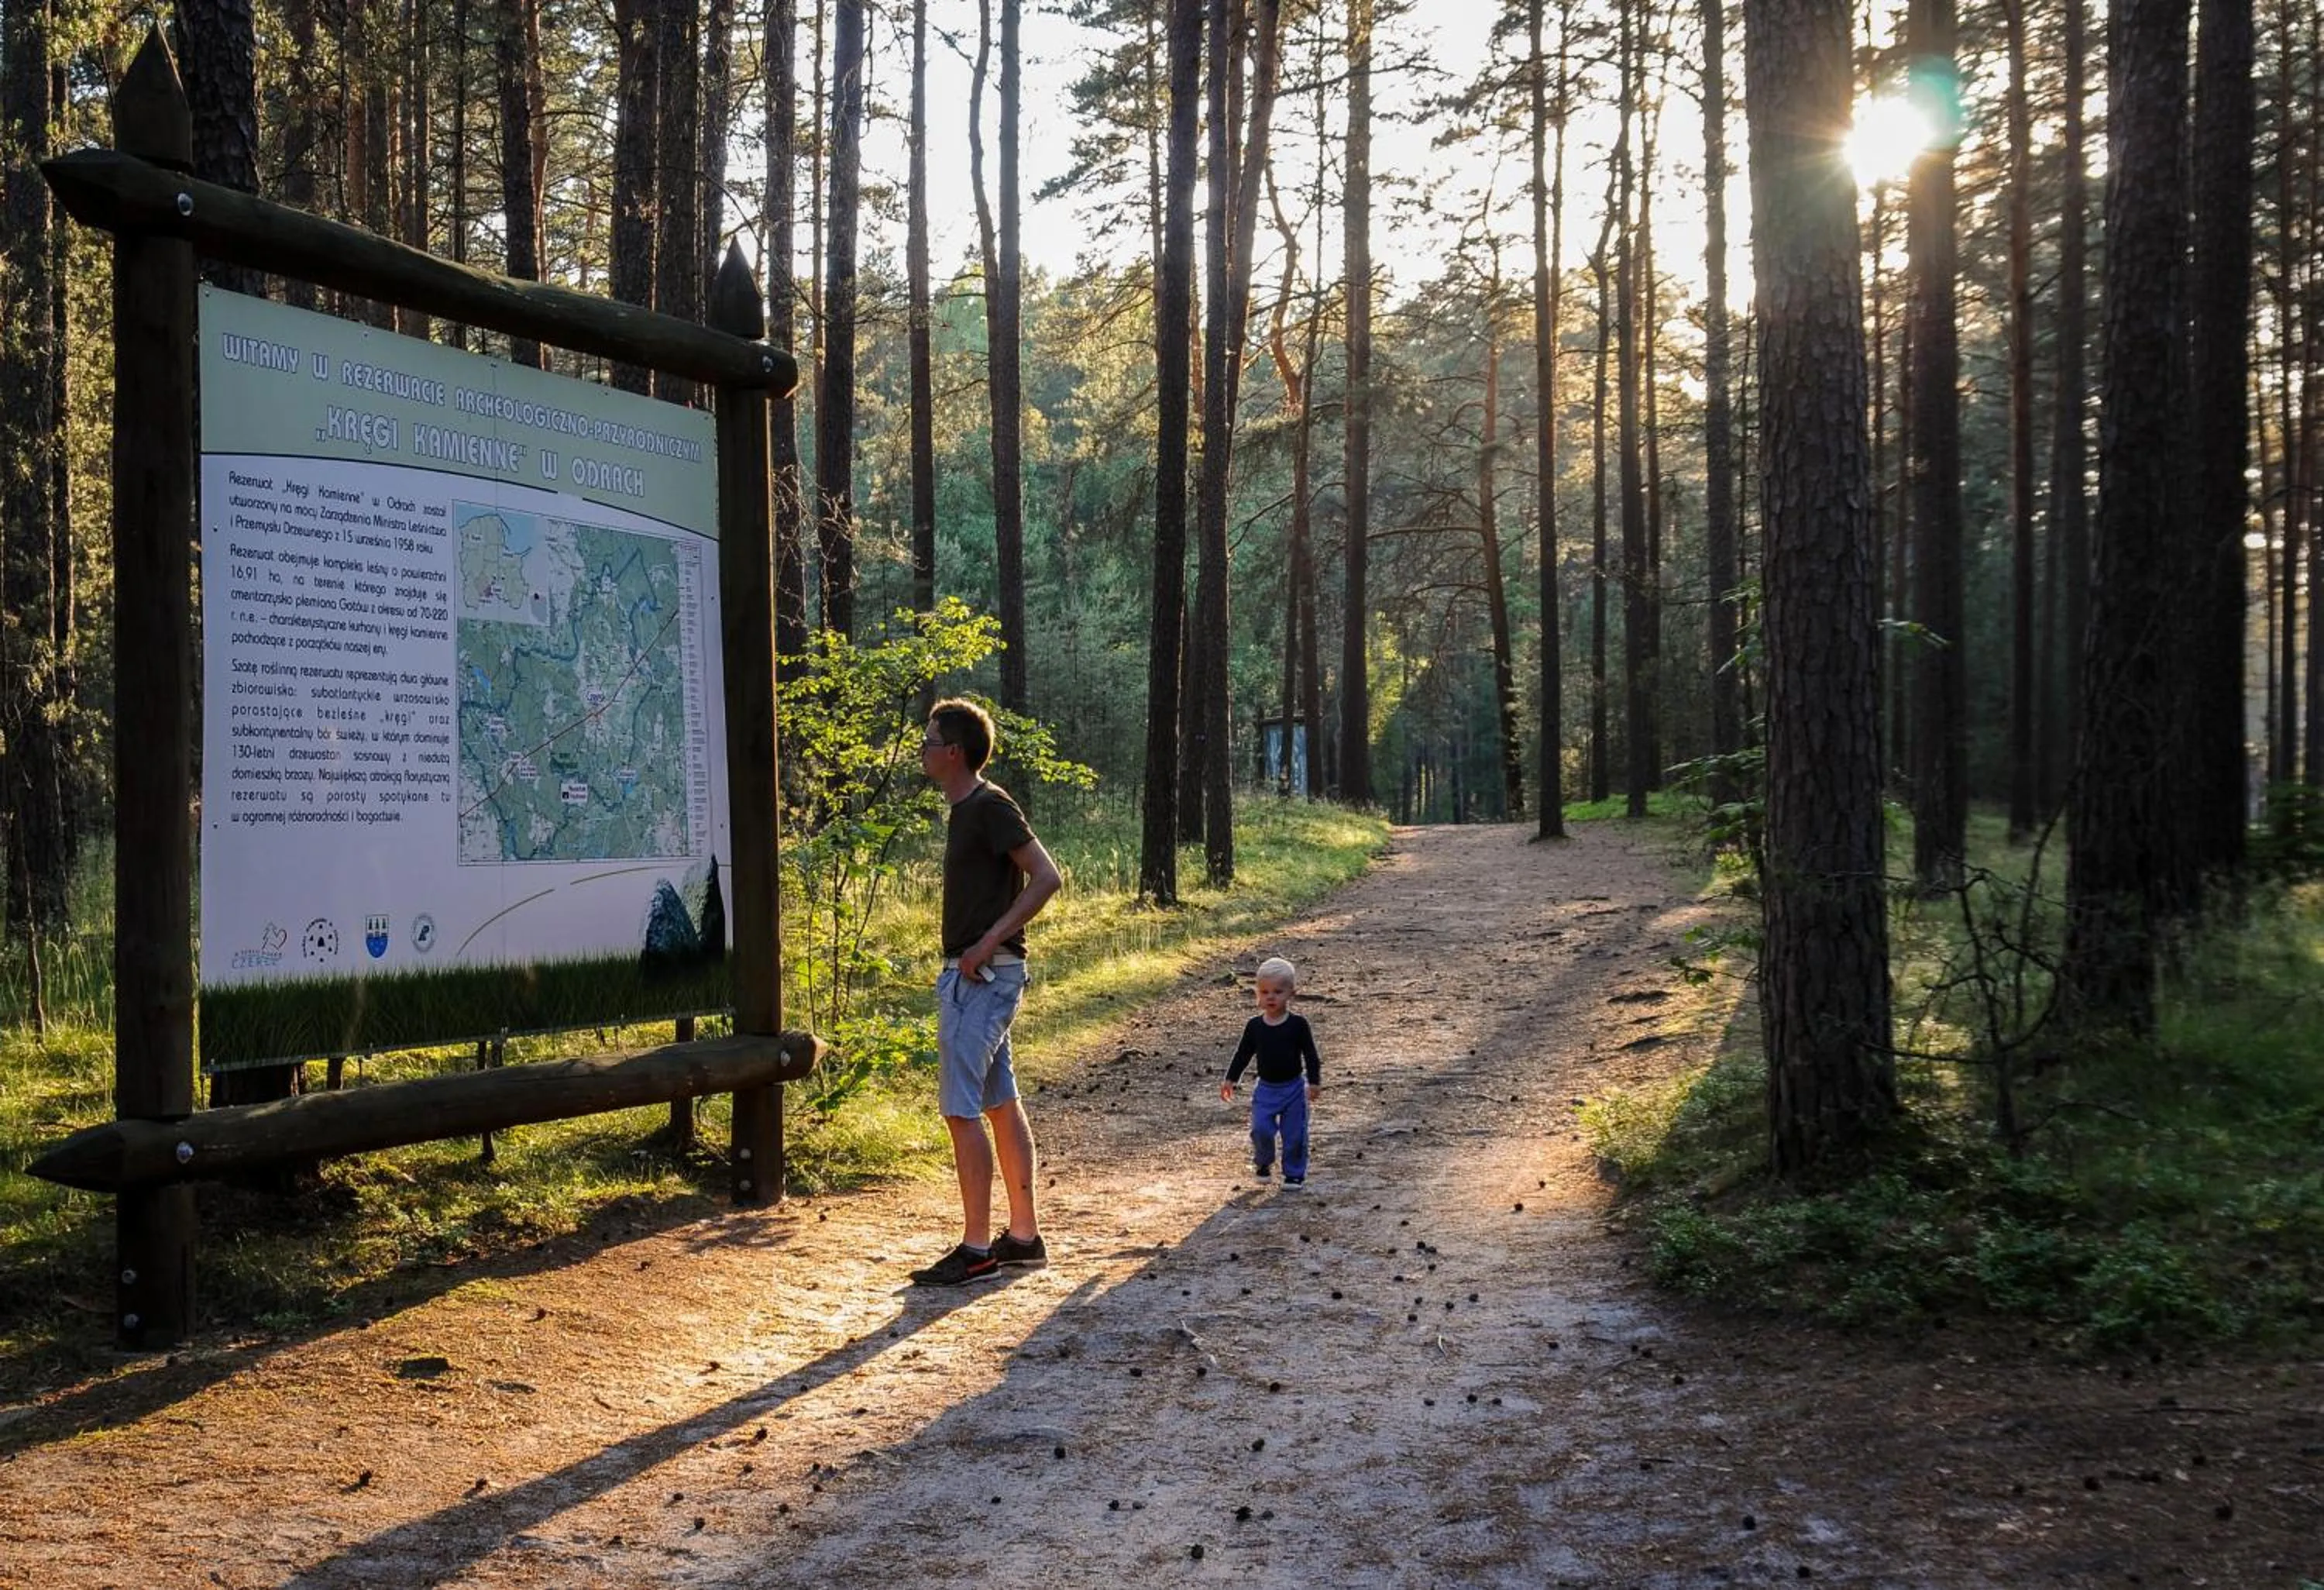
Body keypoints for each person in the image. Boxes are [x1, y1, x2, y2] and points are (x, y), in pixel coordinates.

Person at [909, 697, 1064, 1285]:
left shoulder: (988, 805)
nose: (922, 748)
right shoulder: (966, 810)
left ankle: (976, 1250)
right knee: (1000, 1103)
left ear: (953, 752)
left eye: (929, 739)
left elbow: (1047, 877)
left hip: (983, 975)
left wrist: (985, 944)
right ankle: (1022, 1238)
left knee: (960, 1110)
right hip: (979, 971)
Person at [1219, 955, 1322, 1185]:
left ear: (1291, 994)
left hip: (1294, 1089)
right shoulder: (1255, 1026)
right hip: (1266, 1090)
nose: (1271, 997)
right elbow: (1242, 1054)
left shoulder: (1298, 1025)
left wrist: (1314, 1082)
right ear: (1258, 993)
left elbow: (1311, 1055)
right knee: (1260, 1130)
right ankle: (1264, 1162)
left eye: (1278, 991)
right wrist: (1230, 1079)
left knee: (1295, 1134)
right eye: (1265, 992)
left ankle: (1294, 1173)